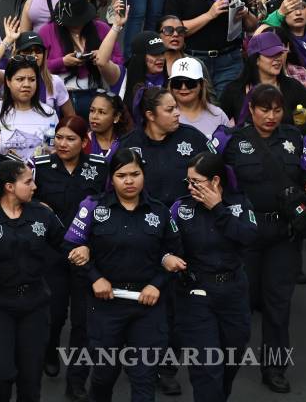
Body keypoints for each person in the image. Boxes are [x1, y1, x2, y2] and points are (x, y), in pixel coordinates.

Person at [216, 83, 306, 392]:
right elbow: (215, 181)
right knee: (239, 304)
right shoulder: (232, 142)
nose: (271, 116)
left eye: (277, 110)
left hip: (282, 235)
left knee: (278, 305)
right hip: (245, 233)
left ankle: (274, 367)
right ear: (251, 110)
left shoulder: (293, 139)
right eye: (264, 109)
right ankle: (227, 361)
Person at [63, 148, 181, 402]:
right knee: (105, 374)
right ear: (111, 178)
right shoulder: (93, 207)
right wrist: (94, 276)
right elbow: (71, 246)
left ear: (144, 175)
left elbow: (173, 255)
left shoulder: (160, 211)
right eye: (121, 175)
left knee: (143, 377)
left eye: (135, 174)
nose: (129, 181)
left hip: (147, 304)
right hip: (106, 304)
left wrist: (157, 284)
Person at [0, 158, 67, 401]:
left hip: (35, 304)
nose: (34, 187)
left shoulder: (43, 214)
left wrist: (80, 250)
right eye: (28, 182)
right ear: (9, 186)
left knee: (30, 379)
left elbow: (65, 243)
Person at [166, 151, 258, 401]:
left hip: (233, 293)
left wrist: (218, 209)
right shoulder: (181, 206)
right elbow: (161, 242)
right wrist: (167, 258)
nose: (190, 186)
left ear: (215, 181)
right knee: (207, 369)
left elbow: (249, 237)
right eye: (188, 181)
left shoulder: (238, 204)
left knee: (232, 357)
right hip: (195, 294)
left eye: (196, 181)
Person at [31, 117, 107, 397]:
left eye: (70, 139)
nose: (63, 144)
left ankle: (76, 380)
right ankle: (50, 350)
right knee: (54, 313)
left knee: (83, 321)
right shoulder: (41, 168)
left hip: (87, 253)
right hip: (52, 254)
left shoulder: (99, 168)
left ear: (84, 142)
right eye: (59, 138)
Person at [220, 31, 306, 134]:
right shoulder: (234, 90)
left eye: (280, 53)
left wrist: (289, 134)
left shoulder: (293, 87)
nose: (278, 59)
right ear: (256, 59)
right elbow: (219, 125)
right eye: (271, 55)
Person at [0, 56, 59, 162]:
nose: (26, 84)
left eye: (32, 80)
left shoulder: (49, 113)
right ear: (8, 81)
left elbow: (53, 149)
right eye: (20, 79)